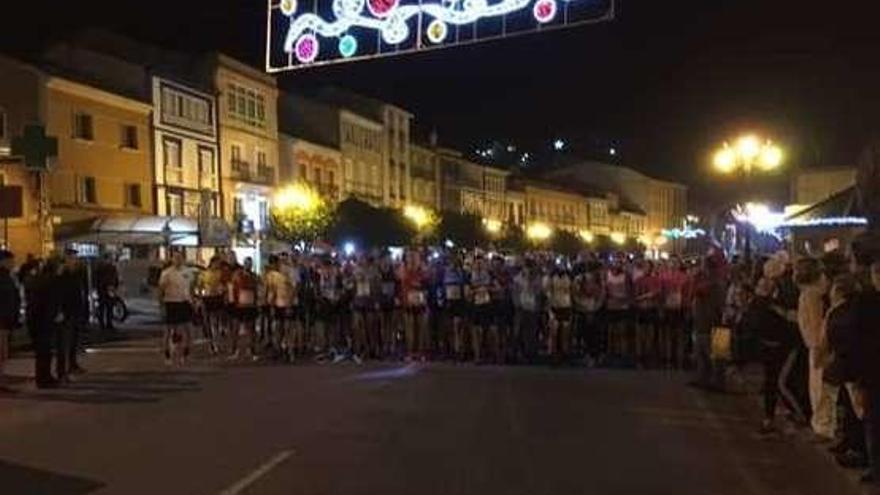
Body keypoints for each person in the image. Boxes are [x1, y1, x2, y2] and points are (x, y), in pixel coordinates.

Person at [823, 273, 867, 469]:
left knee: (857, 409)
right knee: (852, 407)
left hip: (850, 365)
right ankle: (851, 443)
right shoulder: (853, 309)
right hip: (852, 365)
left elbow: (836, 339)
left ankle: (858, 449)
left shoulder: (842, 312)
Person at [794, 257, 833, 440]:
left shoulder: (811, 295)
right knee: (818, 388)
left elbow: (815, 324)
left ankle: (823, 428)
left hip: (817, 346)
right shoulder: (813, 293)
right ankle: (821, 425)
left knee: (820, 389)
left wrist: (817, 345)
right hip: (815, 344)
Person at [26, 258, 62, 389]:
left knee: (42, 352)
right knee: (45, 351)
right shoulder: (52, 281)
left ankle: (43, 377)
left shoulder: (38, 280)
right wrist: (55, 315)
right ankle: (44, 379)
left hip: (36, 319)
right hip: (44, 320)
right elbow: (51, 302)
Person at [158, 251, 193, 365]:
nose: (178, 260)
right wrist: (161, 306)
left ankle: (185, 354)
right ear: (172, 259)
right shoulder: (166, 273)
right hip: (171, 302)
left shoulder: (188, 272)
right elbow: (161, 290)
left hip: (184, 302)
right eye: (175, 257)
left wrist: (193, 300)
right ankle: (167, 355)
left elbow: (191, 287)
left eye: (180, 257)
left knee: (187, 329)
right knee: (169, 330)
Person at [57, 249, 89, 378]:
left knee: (74, 339)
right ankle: (63, 369)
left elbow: (82, 290)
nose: (74, 261)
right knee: (64, 341)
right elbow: (57, 292)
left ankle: (72, 364)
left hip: (76, 309)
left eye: (75, 258)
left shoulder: (78, 273)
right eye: (71, 258)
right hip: (66, 310)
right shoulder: (62, 274)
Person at [230, 257, 259, 361]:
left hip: (250, 305)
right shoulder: (237, 275)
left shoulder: (254, 276)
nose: (248, 265)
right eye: (246, 263)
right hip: (239, 305)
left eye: (250, 264)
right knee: (236, 328)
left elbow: (256, 290)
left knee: (251, 329)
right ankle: (235, 350)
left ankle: (251, 350)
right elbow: (232, 288)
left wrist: (257, 303)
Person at [0, 250, 21, 393]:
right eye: (10, 261)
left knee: (3, 353)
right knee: (1, 352)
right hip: (1, 320)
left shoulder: (8, 277)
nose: (13, 264)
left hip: (6, 320)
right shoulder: (3, 277)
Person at [196, 256, 226, 355]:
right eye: (217, 263)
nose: (218, 265)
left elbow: (224, 285)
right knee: (207, 322)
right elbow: (199, 287)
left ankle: (216, 343)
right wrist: (199, 298)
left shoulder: (220, 273)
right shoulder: (204, 274)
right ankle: (211, 343)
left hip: (217, 298)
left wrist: (223, 291)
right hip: (207, 299)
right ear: (212, 263)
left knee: (216, 321)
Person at [93, 253, 120, 332]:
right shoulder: (101, 268)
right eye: (109, 259)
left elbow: (115, 278)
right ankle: (103, 324)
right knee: (103, 307)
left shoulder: (111, 268)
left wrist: (114, 287)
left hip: (109, 290)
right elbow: (98, 279)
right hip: (103, 290)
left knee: (109, 307)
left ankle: (108, 323)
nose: (110, 260)